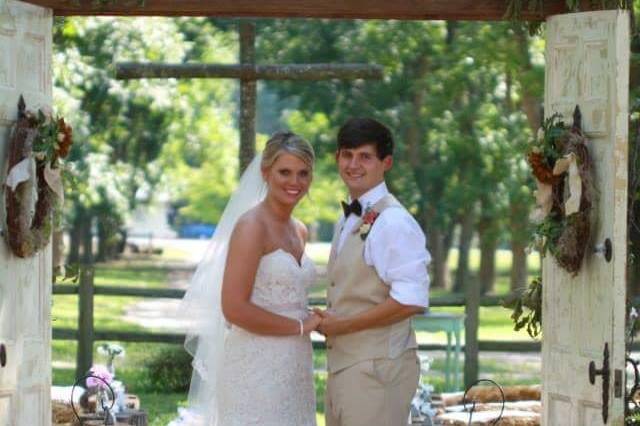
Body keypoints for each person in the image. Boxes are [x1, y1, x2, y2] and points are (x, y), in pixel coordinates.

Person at [172, 131, 321, 426]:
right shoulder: (252, 226)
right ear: (266, 173)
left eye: (303, 173)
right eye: (285, 172)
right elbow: (234, 309)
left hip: (295, 364)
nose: (295, 182)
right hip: (255, 365)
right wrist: (301, 325)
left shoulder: (300, 230)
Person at [318, 117, 431, 426]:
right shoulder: (349, 218)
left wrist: (344, 326)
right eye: (347, 154)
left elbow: (411, 300)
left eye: (365, 156)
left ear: (386, 162)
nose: (354, 164)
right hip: (347, 369)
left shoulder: (393, 221)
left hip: (379, 372)